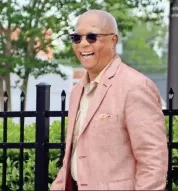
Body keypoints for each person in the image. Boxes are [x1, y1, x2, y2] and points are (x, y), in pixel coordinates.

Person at [51, 10, 167, 190]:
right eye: (76, 38)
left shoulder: (135, 86)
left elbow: (153, 161)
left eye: (92, 37)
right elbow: (73, 158)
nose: (83, 44)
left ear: (113, 40)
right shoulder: (77, 91)